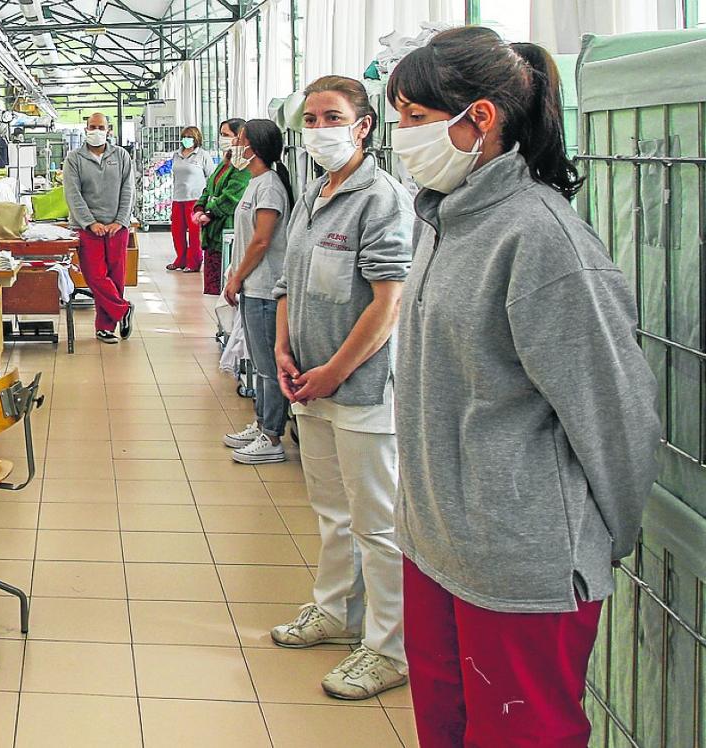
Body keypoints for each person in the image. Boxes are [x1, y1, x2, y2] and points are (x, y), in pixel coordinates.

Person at [387, 27, 660, 745]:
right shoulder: (439, 220)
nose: (401, 137)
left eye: (413, 119)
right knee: (444, 727)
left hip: (519, 561)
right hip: (437, 542)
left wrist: (596, 541)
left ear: (479, 118)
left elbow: (615, 416)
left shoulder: (540, 240)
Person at [267, 76, 414, 701]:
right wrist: (281, 347)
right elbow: (287, 284)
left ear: (363, 126)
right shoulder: (312, 196)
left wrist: (336, 370)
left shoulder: (380, 199)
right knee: (331, 511)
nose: (319, 128)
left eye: (333, 116)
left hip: (361, 388)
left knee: (377, 522)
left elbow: (389, 302)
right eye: (311, 118)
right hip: (308, 381)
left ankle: (389, 646)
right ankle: (335, 611)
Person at [221, 120, 293, 464]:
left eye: (241, 139)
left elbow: (262, 240)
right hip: (252, 284)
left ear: (256, 146)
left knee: (268, 366)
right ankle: (262, 422)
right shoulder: (255, 183)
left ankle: (272, 436)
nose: (235, 144)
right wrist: (235, 274)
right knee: (259, 361)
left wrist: (238, 277)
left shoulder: (270, 187)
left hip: (266, 287)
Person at [63, 112, 135, 344]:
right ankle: (123, 309)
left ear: (108, 130)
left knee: (116, 277)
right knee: (94, 275)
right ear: (86, 130)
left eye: (100, 127)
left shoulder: (121, 156)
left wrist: (120, 221)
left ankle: (105, 327)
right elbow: (73, 194)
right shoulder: (74, 159)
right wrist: (90, 222)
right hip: (87, 228)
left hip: (117, 227)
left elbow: (128, 190)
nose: (96, 131)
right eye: (92, 127)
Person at [193, 118, 250, 295]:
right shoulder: (225, 162)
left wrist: (210, 212)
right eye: (221, 135)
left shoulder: (243, 166)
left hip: (226, 226)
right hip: (212, 231)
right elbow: (209, 186)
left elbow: (232, 196)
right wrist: (199, 207)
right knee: (213, 283)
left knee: (225, 282)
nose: (222, 139)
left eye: (226, 135)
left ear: (239, 137)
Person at [166, 126, 213, 272]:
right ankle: (180, 259)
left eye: (190, 137)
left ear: (197, 138)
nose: (187, 139)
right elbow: (174, 176)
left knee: (194, 233)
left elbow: (210, 177)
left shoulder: (202, 155)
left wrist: (207, 200)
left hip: (195, 199)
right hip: (178, 198)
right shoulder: (176, 155)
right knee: (177, 231)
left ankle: (194, 262)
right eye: (185, 136)